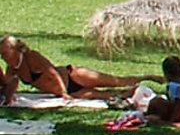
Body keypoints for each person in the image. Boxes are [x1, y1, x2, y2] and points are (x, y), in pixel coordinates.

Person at [0, 37, 147, 106]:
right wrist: (8, 98)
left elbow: (52, 72)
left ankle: (149, 77)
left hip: (72, 76)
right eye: (1, 55)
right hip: (70, 91)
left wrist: (63, 92)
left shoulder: (32, 57)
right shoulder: (13, 68)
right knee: (105, 96)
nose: (3, 57)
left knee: (117, 81)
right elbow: (8, 83)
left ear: (14, 50)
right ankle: (133, 92)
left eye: (4, 53)